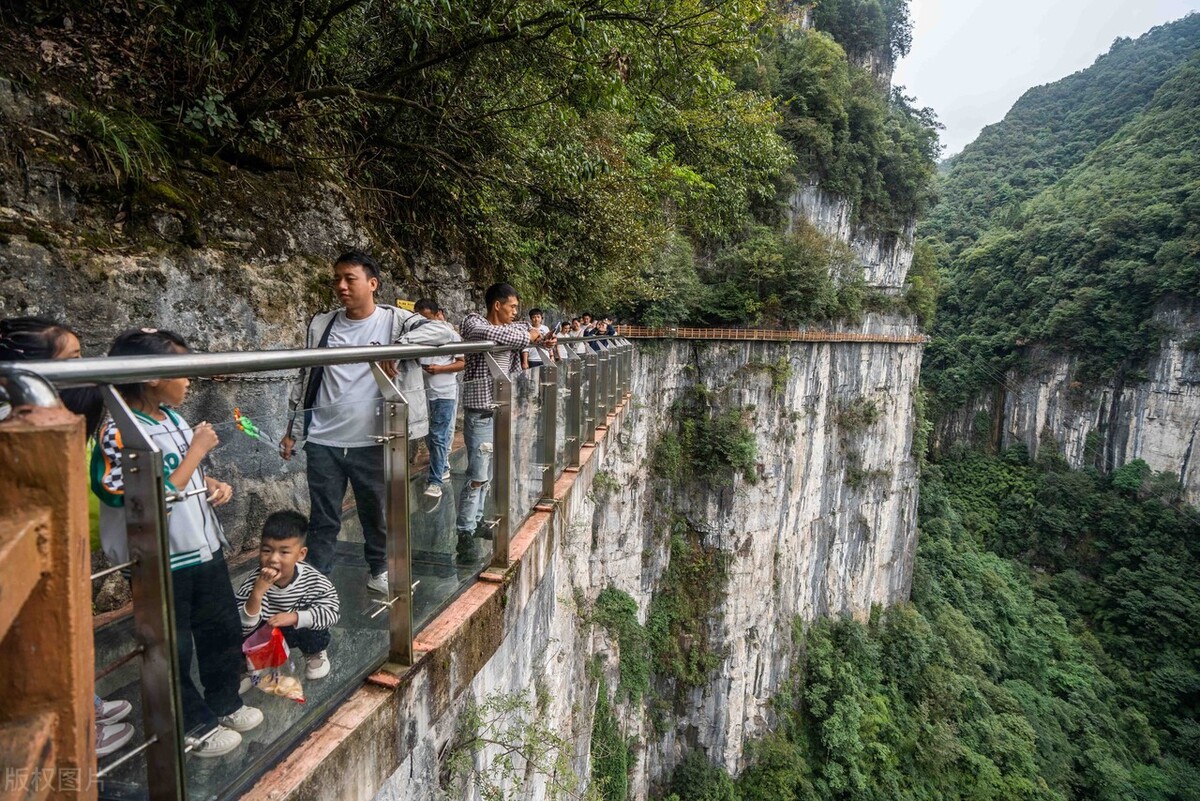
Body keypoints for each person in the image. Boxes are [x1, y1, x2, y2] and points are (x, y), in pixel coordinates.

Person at [94, 328, 260, 759]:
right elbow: (139, 500)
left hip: (203, 549)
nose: (190, 379)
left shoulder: (171, 418)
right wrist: (196, 454)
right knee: (173, 644)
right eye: (182, 369)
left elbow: (182, 479)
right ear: (151, 376)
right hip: (161, 560)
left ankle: (225, 700)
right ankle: (192, 724)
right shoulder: (117, 433)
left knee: (221, 630)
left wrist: (212, 484)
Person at [279, 251, 455, 592]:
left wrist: (397, 348)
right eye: (337, 279)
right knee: (324, 518)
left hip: (375, 440)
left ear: (372, 284)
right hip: (323, 439)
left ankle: (378, 571)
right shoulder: (322, 324)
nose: (341, 286)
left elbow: (443, 333)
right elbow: (306, 379)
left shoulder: (396, 321)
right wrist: (292, 431)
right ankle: (318, 584)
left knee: (376, 513)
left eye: (349, 278)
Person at [0, 317, 133, 758]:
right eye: (73, 360)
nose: (85, 368)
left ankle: (87, 706)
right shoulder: (20, 423)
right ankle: (75, 735)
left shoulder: (39, 410)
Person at [456, 283, 553, 561]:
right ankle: (464, 532)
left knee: (489, 472)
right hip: (481, 411)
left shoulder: (515, 330)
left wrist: (531, 336)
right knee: (477, 474)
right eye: (511, 307)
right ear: (497, 305)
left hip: (502, 409)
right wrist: (527, 336)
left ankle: (474, 523)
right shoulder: (473, 322)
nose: (515, 312)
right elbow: (488, 333)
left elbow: (519, 336)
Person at [234, 511, 339, 681]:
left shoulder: (313, 580)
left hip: (297, 629)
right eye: (267, 550)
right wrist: (257, 593)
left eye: (284, 552)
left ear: (301, 555)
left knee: (315, 619)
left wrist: (294, 617)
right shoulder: (253, 583)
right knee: (238, 637)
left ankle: (314, 651)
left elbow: (331, 612)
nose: (273, 559)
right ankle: (252, 664)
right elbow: (241, 627)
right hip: (269, 632)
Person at [414, 299, 464, 500]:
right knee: (428, 433)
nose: (424, 323)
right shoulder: (415, 335)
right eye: (419, 318)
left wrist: (439, 369)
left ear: (437, 315)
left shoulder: (451, 335)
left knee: (439, 435)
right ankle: (442, 465)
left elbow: (461, 363)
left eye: (427, 319)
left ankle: (436, 481)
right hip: (423, 393)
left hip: (444, 393)